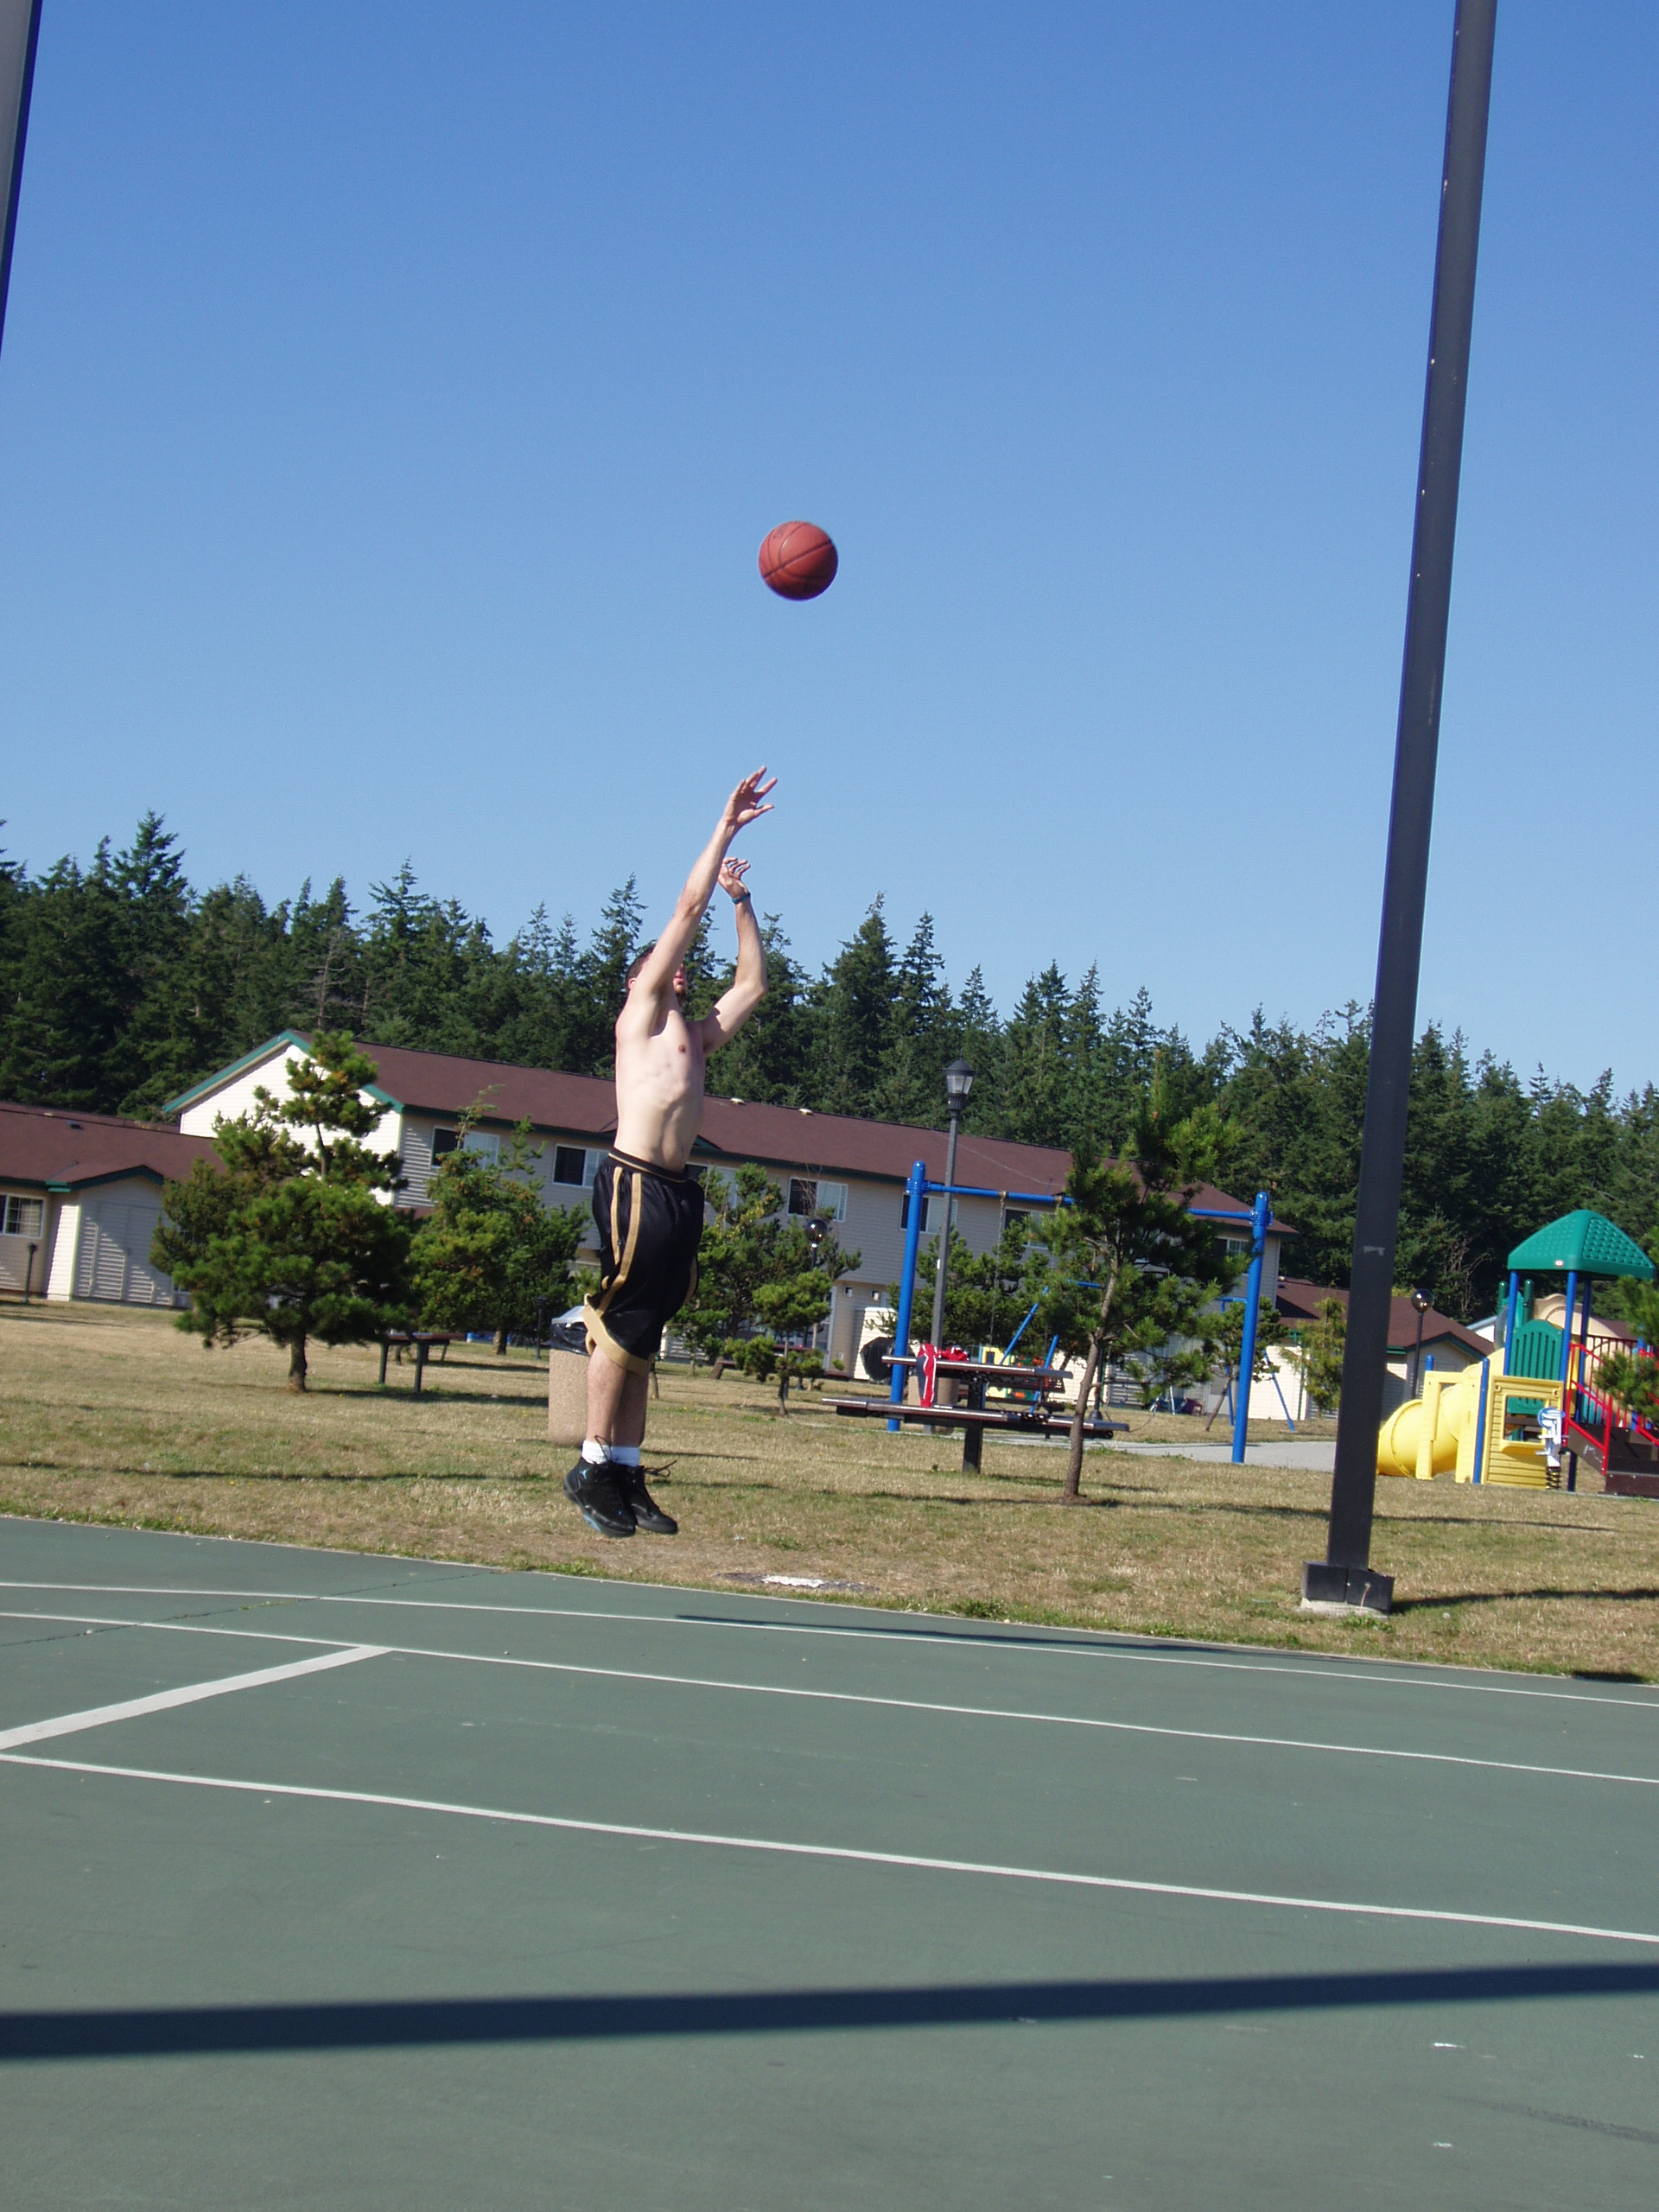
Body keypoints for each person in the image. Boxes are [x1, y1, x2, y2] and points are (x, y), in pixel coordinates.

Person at [564, 768, 776, 1538]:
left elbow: (753, 982)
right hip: (634, 1181)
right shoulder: (643, 1015)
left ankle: (624, 1465)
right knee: (620, 1324)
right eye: (663, 963)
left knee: (648, 1333)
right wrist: (725, 827)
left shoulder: (693, 1033)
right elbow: (685, 910)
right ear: (641, 982)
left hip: (679, 1191)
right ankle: (589, 1462)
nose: (678, 966)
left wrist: (742, 902)